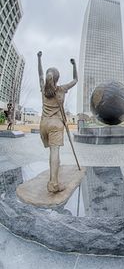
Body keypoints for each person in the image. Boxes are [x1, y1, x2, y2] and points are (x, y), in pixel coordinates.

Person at [37, 51, 78, 193]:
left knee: (52, 153)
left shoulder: (43, 88)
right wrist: (74, 65)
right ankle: (53, 184)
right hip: (55, 124)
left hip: (43, 124)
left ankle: (52, 176)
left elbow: (40, 75)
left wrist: (39, 58)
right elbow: (75, 79)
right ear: (57, 78)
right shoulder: (62, 89)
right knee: (55, 152)